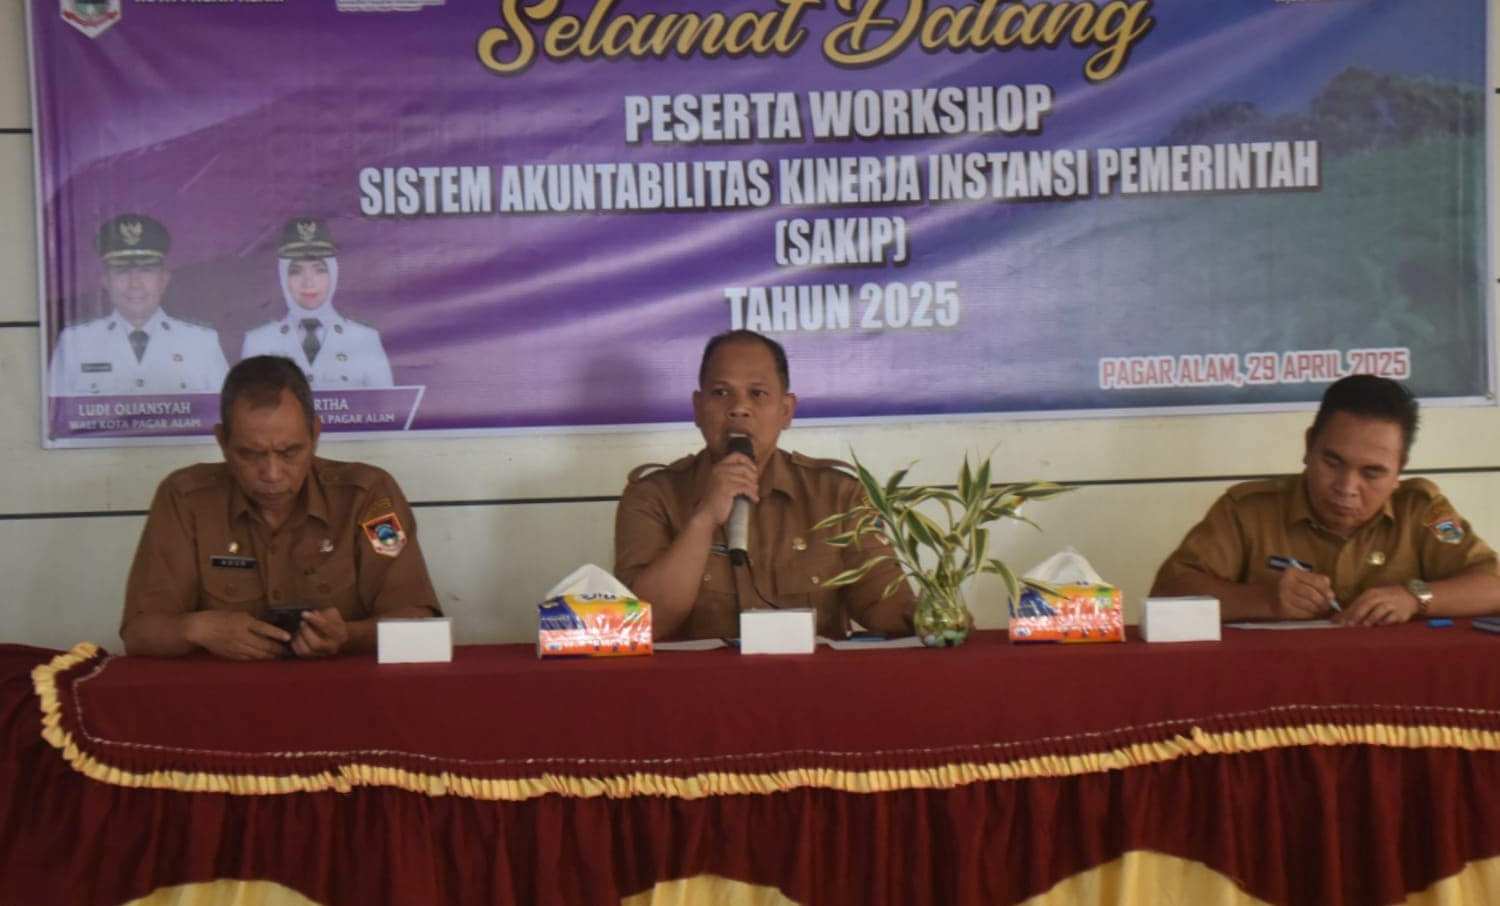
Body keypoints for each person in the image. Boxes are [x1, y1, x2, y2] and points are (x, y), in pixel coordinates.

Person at [120, 355, 439, 659]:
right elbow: (138, 632)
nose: (272, 474)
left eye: (289, 452)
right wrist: (196, 629)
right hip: (221, 693)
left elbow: (421, 627)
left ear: (315, 434)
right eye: (250, 454)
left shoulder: (367, 497)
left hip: (347, 691)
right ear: (222, 441)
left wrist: (348, 636)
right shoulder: (185, 499)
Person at [614, 329, 915, 641]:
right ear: (698, 408)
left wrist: (932, 613)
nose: (739, 408)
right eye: (721, 393)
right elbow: (643, 627)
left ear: (786, 411)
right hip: (696, 675)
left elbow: (889, 608)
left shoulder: (838, 495)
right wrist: (704, 518)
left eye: (757, 394)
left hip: (809, 673)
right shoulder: (651, 497)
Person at [1151, 374, 1500, 625]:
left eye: (1372, 473)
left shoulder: (1421, 510)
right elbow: (1168, 594)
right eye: (1332, 463)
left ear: (1399, 470)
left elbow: (1492, 585)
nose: (1347, 487)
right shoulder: (1248, 511)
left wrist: (1414, 596)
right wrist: (1265, 600)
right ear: (1308, 446)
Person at [48, 214, 229, 395]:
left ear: (164, 279)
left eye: (146, 270)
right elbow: (54, 410)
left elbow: (222, 408)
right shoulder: (75, 344)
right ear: (105, 281)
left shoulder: (201, 343)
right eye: (122, 271)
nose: (135, 284)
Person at [240, 217, 395, 389]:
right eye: (296, 271)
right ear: (284, 277)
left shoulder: (365, 339)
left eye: (319, 270)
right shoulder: (259, 342)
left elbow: (386, 405)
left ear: (333, 274)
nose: (308, 282)